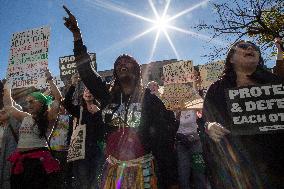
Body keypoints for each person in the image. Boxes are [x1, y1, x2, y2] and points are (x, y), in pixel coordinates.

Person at [63, 6, 179, 189]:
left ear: (137, 70)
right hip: (113, 171)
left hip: (143, 171)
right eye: (119, 63)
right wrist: (77, 35)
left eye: (128, 62)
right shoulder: (107, 97)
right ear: (115, 72)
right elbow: (86, 72)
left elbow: (164, 143)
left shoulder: (151, 101)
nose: (123, 64)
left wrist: (172, 181)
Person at [202, 40, 284, 189]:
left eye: (255, 47)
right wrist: (210, 127)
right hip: (237, 172)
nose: (251, 47)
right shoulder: (217, 88)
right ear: (231, 58)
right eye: (243, 46)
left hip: (275, 168)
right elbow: (205, 120)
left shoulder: (276, 83)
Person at [3, 70, 62, 189]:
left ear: (41, 103)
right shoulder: (25, 117)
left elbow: (58, 98)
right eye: (27, 102)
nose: (28, 104)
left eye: (31, 101)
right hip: (20, 161)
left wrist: (50, 79)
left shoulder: (49, 118)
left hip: (38, 163)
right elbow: (9, 106)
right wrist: (8, 86)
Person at [63, 74, 105, 189]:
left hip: (96, 152)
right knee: (83, 182)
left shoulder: (100, 111)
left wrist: (97, 114)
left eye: (91, 91)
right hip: (81, 152)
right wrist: (73, 85)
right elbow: (66, 103)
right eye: (86, 90)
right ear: (83, 94)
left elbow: (101, 132)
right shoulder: (79, 110)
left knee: (95, 181)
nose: (88, 92)